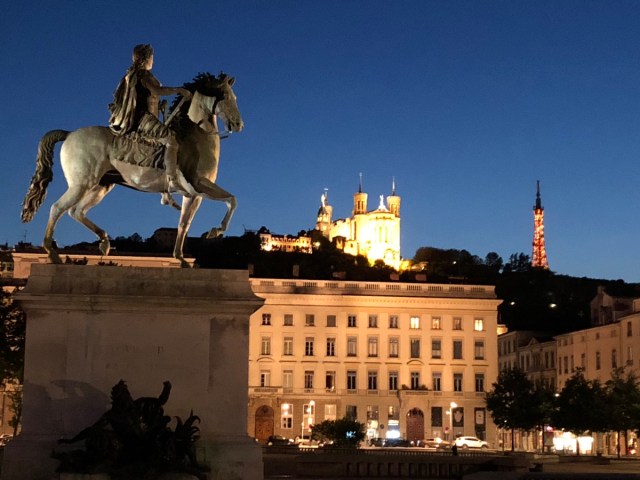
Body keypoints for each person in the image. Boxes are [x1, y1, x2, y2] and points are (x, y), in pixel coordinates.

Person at [109, 44, 191, 190]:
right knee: (171, 140)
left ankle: (164, 191)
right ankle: (172, 180)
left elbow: (146, 96)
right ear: (145, 58)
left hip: (142, 116)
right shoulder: (143, 74)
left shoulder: (133, 74)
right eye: (151, 57)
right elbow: (157, 90)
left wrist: (159, 107)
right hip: (143, 119)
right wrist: (178, 90)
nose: (153, 60)